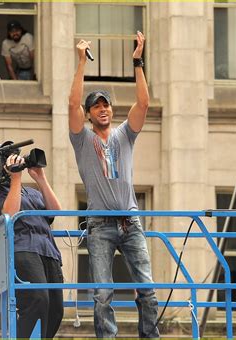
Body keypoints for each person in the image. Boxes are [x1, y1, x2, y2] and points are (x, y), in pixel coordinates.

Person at [68, 32, 159, 338]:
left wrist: (137, 61)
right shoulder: (83, 138)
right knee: (102, 294)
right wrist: (81, 62)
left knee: (147, 289)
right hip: (100, 224)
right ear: (90, 114)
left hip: (130, 222)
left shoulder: (124, 135)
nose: (103, 109)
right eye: (96, 107)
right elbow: (71, 104)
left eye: (106, 105)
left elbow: (144, 103)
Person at [0, 144, 63, 339]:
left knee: (55, 310)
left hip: (48, 251)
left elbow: (54, 212)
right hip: (23, 249)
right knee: (37, 299)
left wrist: (40, 178)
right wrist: (15, 178)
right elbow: (9, 214)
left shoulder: (30, 192)